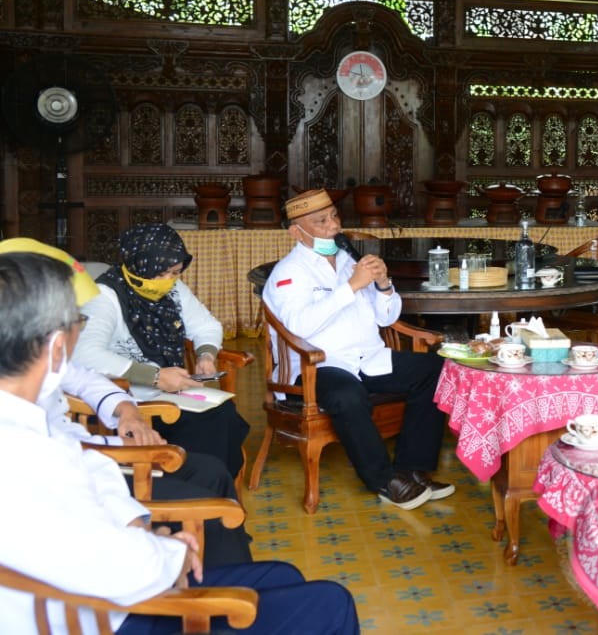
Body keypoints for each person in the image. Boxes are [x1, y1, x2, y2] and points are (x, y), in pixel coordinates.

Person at [0, 251, 360, 635]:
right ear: (56, 347)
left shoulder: (27, 431)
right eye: (78, 323)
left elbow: (86, 489)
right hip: (109, 616)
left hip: (104, 584)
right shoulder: (26, 454)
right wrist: (175, 554)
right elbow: (122, 567)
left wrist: (141, 526)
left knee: (281, 572)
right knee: (331, 602)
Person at [0, 236, 253, 566]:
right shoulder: (19, 420)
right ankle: (219, 589)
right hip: (100, 461)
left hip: (100, 448)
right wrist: (145, 534)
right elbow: (72, 483)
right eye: (73, 320)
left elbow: (85, 379)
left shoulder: (38, 357)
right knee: (204, 483)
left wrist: (125, 410)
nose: (76, 330)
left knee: (217, 454)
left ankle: (229, 555)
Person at [262, 188, 454, 509]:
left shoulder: (348, 260)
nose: (333, 226)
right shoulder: (289, 274)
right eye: (321, 221)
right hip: (319, 367)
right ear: (297, 231)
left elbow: (386, 316)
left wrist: (382, 285)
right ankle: (383, 480)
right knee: (347, 395)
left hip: (368, 358)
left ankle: (412, 469)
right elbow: (299, 327)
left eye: (334, 216)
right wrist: (350, 286)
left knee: (435, 370)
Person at [74, 223, 250, 478]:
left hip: (172, 392)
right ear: (140, 265)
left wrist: (206, 355)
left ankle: (206, 488)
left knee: (222, 415)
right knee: (212, 424)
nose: (170, 280)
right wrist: (155, 376)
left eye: (176, 272)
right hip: (129, 400)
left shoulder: (173, 289)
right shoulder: (105, 297)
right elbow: (86, 354)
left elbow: (206, 324)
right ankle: (193, 488)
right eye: (163, 273)